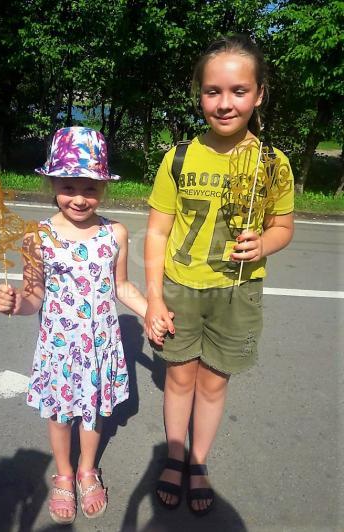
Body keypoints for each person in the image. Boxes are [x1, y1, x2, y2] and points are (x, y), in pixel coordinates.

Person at [144, 34, 294, 517]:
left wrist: (263, 244)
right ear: (199, 94)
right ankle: (175, 457)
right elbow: (157, 231)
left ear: (259, 94)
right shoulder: (179, 156)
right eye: (213, 91)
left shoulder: (273, 164)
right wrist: (153, 298)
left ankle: (198, 462)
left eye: (238, 91)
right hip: (180, 289)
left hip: (236, 292)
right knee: (178, 381)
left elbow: (283, 227)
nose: (225, 103)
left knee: (212, 385)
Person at [0, 127, 164, 525]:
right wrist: (16, 303)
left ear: (103, 187)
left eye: (90, 187)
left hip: (99, 346)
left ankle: (87, 468)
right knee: (59, 416)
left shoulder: (114, 233)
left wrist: (150, 311)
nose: (79, 197)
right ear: (52, 183)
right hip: (58, 347)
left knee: (93, 413)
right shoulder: (38, 237)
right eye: (68, 186)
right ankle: (64, 474)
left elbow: (122, 286)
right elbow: (34, 295)